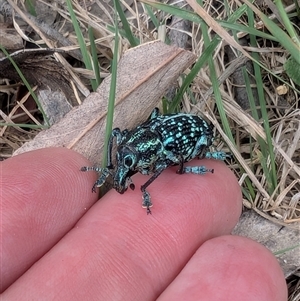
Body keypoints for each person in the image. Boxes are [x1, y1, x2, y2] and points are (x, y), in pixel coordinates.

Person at [1, 147, 287, 300]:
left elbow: (163, 164)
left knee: (171, 162)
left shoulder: (158, 157)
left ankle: (195, 164)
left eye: (127, 164)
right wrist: (115, 170)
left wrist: (146, 191)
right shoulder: (134, 148)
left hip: (191, 139)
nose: (126, 173)